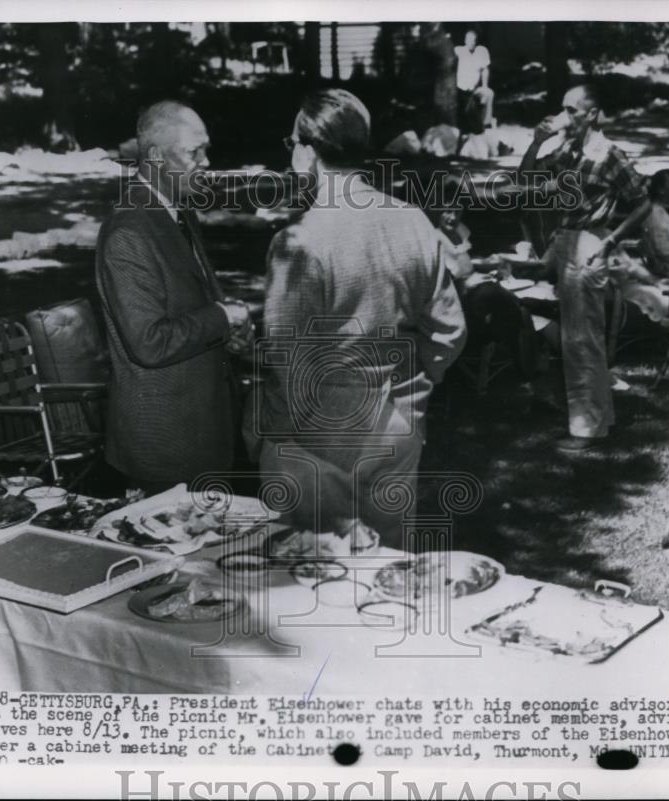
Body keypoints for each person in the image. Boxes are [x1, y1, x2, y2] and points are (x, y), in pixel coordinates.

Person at [248, 89, 467, 548]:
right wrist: (412, 390)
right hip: (398, 427)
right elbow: (450, 329)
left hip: (319, 440)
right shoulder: (412, 220)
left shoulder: (300, 240)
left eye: (292, 145)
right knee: (385, 581)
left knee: (313, 580)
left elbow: (287, 362)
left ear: (308, 153)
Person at [95, 100, 252, 494]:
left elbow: (193, 307)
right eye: (193, 152)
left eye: (206, 150)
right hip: (165, 445)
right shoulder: (128, 233)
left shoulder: (178, 211)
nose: (206, 162)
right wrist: (220, 317)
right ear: (154, 157)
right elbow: (149, 342)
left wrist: (229, 335)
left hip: (206, 431)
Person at [518, 84, 651, 452]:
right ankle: (598, 419)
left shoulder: (609, 154)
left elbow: (642, 203)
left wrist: (611, 241)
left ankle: (587, 431)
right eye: (564, 110)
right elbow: (526, 180)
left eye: (572, 110)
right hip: (567, 242)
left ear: (592, 113)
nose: (567, 117)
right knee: (576, 338)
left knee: (582, 340)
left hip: (591, 242)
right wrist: (536, 140)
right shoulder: (569, 151)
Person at [434, 205, 537, 379]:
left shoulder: (459, 232)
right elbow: (446, 283)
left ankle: (524, 366)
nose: (453, 217)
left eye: (457, 211)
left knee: (511, 304)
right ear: (437, 212)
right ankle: (524, 368)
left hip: (475, 296)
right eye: (447, 212)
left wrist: (485, 274)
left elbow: (467, 268)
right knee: (501, 297)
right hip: (456, 305)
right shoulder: (435, 240)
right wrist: (471, 283)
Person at [454, 30, 494, 132]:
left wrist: (485, 86)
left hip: (474, 89)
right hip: (460, 90)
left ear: (476, 41)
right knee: (467, 112)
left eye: (473, 40)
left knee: (489, 93)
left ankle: (486, 124)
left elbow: (485, 69)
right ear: (465, 41)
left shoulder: (481, 51)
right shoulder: (459, 51)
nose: (471, 43)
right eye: (469, 40)